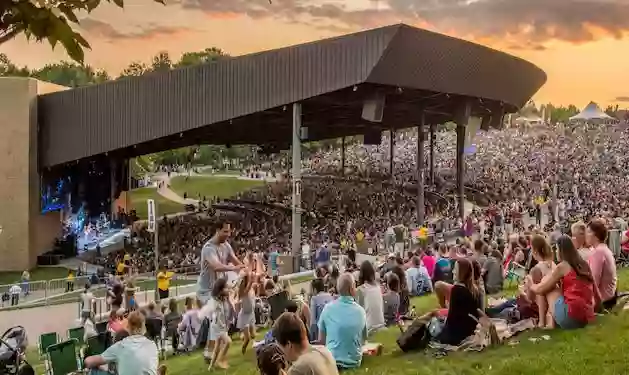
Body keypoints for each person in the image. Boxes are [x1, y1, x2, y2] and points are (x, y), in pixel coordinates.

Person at [196, 220, 244, 360]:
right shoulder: (208, 248)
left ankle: (217, 345)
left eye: (229, 231)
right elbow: (216, 266)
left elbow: (236, 261)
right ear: (217, 230)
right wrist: (233, 268)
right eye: (225, 231)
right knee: (217, 316)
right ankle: (208, 352)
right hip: (206, 291)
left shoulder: (227, 246)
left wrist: (244, 268)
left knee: (229, 313)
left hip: (218, 290)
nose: (228, 235)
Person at [530, 235, 600, 330]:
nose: (555, 251)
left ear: (562, 251)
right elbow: (595, 291)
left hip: (570, 317)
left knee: (549, 286)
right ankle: (547, 321)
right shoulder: (584, 264)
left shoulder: (563, 266)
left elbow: (541, 290)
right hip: (586, 316)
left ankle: (544, 322)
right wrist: (599, 308)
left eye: (557, 249)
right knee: (551, 285)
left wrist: (531, 285)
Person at [85, 310, 160, 375]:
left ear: (128, 327)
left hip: (109, 363)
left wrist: (88, 359)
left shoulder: (121, 346)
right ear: (144, 327)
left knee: (94, 370)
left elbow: (88, 362)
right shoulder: (152, 345)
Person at [318, 273, 367, 370]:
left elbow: (321, 341)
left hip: (331, 362)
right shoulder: (361, 311)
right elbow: (363, 340)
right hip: (354, 362)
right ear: (352, 288)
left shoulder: (327, 309)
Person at [585, 220, 618, 310]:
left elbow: (594, 280)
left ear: (596, 236)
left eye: (588, 232)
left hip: (603, 299)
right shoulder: (602, 249)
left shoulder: (598, 252)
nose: (586, 235)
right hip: (610, 294)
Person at [209, 278, 233, 370]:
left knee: (217, 347)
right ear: (220, 290)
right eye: (225, 288)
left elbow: (233, 287)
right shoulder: (215, 302)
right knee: (228, 342)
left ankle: (211, 367)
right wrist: (223, 326)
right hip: (218, 327)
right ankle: (220, 360)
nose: (227, 289)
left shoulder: (224, 299)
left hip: (223, 326)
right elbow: (216, 316)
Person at [355, 261, 384, 333]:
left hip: (369, 328)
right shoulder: (378, 287)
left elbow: (358, 313)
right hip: (381, 324)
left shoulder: (361, 289)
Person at [237, 271, 257, 354]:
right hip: (244, 316)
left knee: (253, 335)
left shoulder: (252, 287)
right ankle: (243, 349)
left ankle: (242, 335)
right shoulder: (243, 291)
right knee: (248, 338)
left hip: (251, 313)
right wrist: (249, 281)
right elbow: (246, 290)